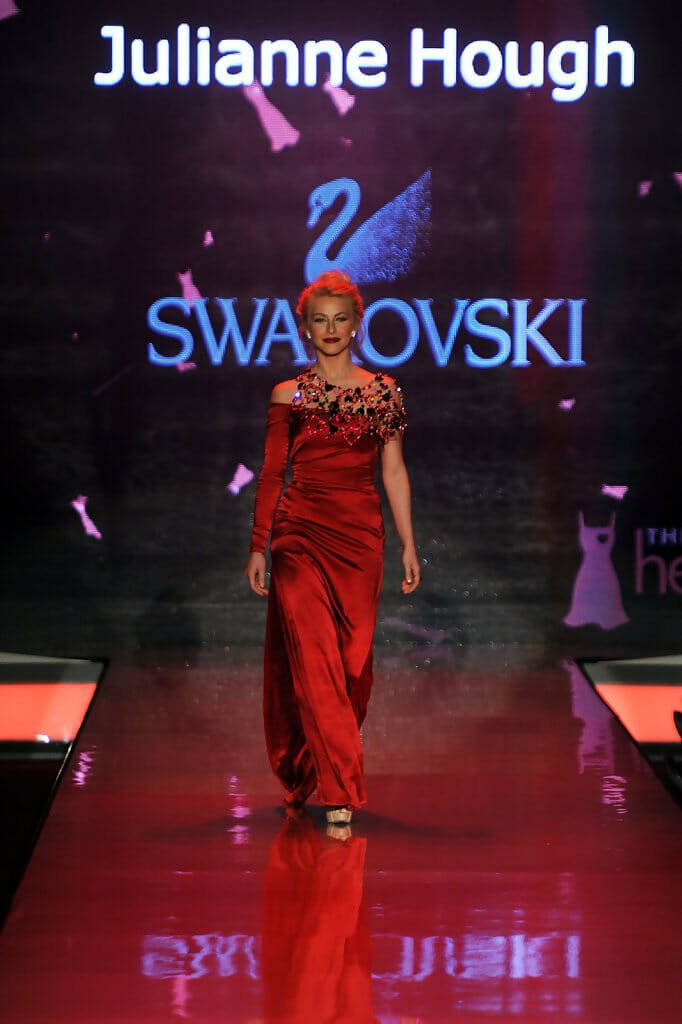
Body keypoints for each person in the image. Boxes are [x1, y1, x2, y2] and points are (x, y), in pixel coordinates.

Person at [245, 271, 420, 827]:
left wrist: (409, 542)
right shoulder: (287, 394)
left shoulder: (383, 392)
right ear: (304, 327)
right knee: (315, 659)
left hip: (360, 540)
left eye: (340, 319)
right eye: (319, 320)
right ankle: (341, 791)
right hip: (298, 535)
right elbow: (272, 473)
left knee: (350, 670)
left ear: (357, 324)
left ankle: (306, 765)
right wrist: (259, 545)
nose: (330, 329)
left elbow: (394, 471)